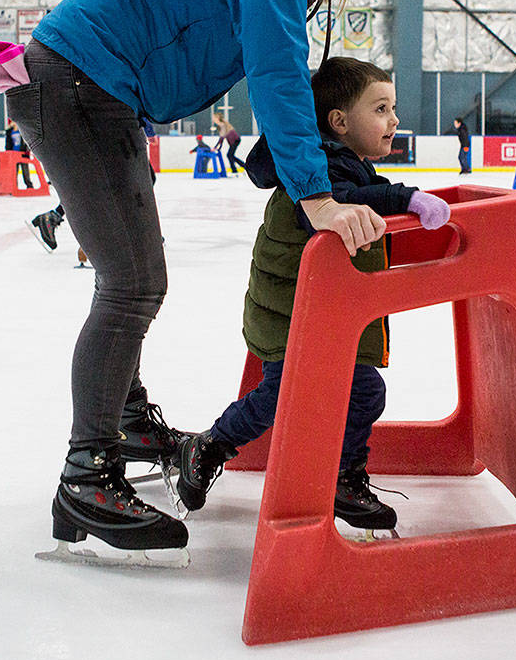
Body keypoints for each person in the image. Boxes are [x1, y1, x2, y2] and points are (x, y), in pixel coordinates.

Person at [8, 0, 414, 560]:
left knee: (133, 278)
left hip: (98, 86)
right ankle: (86, 474)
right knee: (132, 284)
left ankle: (124, 421)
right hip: (78, 80)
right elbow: (276, 69)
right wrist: (318, 196)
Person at [176, 58, 450, 532]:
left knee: (331, 392)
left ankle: (327, 471)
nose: (394, 120)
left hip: (311, 311)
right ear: (339, 121)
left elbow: (368, 188)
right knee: (306, 394)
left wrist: (404, 197)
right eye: (381, 109)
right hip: (291, 314)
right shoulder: (322, 164)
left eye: (393, 108)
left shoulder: (339, 160)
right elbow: (343, 199)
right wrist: (406, 199)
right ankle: (215, 448)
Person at [5, 119, 34, 189]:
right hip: (14, 154)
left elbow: (26, 142)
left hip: (23, 153)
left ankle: (29, 186)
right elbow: (8, 143)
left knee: (25, 171)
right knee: (14, 172)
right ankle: (14, 186)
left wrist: (27, 151)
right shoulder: (9, 132)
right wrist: (8, 152)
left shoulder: (22, 131)